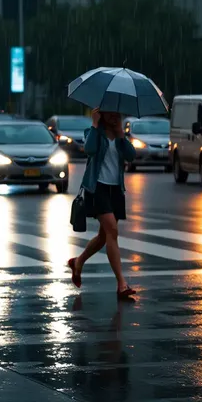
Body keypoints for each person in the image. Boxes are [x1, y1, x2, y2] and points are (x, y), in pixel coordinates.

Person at [68, 108, 137, 299]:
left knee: (104, 236)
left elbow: (131, 156)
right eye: (110, 113)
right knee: (112, 231)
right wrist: (95, 124)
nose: (114, 117)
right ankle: (121, 284)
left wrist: (121, 134)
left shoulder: (120, 137)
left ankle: (78, 262)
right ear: (101, 113)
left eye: (117, 113)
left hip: (115, 190)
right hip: (97, 188)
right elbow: (89, 150)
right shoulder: (93, 133)